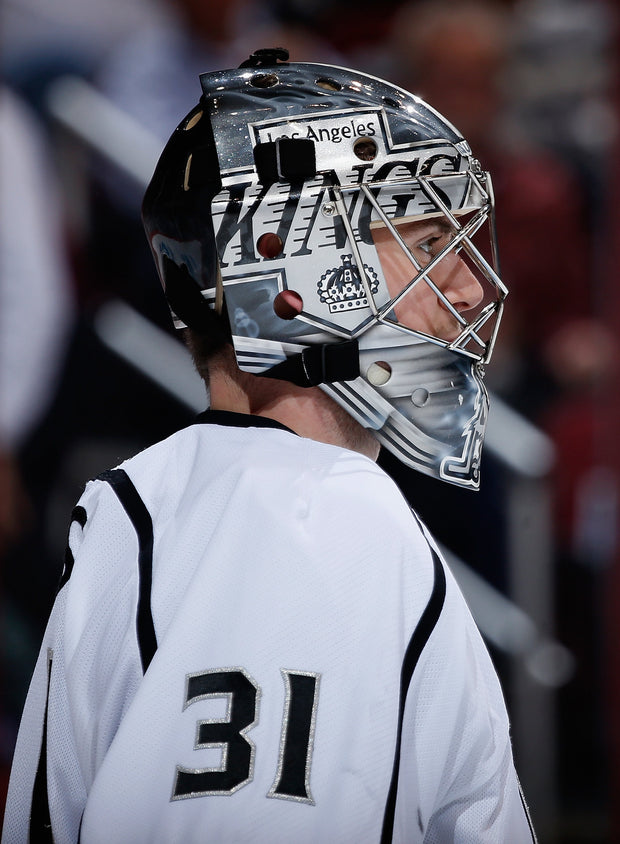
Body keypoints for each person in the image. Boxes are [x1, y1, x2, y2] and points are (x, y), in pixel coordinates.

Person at [2, 49, 536, 842]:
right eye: (426, 244)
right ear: (294, 274)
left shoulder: (158, 503)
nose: (469, 287)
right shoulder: (309, 519)